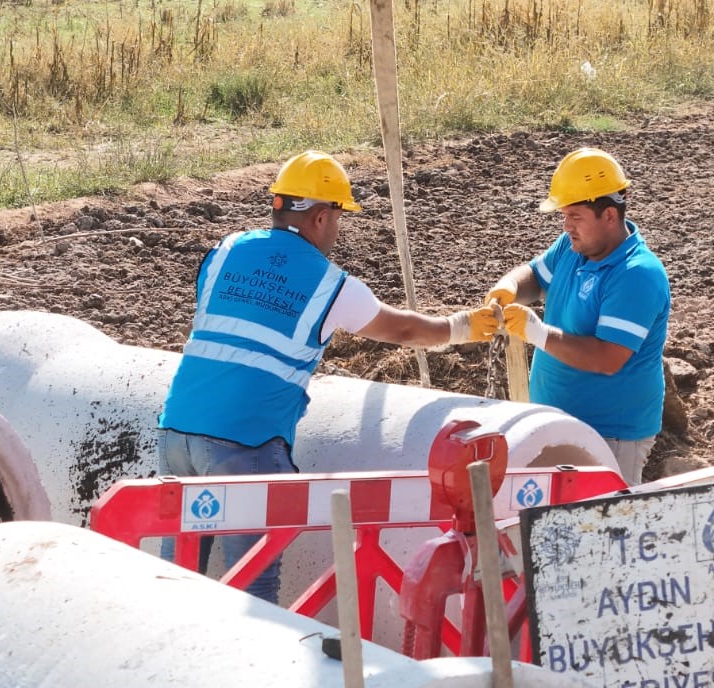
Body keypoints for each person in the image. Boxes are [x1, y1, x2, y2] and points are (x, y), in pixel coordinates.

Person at [157, 150, 500, 602]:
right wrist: (463, 327)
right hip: (245, 443)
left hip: (176, 430)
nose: (338, 231)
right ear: (319, 217)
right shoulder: (328, 282)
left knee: (173, 578)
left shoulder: (224, 251)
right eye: (338, 217)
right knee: (252, 591)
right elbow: (400, 328)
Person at [485, 147, 671, 485]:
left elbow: (607, 358)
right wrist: (509, 286)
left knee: (604, 529)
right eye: (564, 215)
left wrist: (538, 333)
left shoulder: (636, 275)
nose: (566, 225)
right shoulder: (575, 247)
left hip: (611, 435)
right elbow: (536, 276)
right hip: (555, 422)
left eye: (575, 215)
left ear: (609, 216)